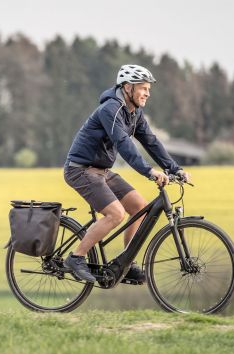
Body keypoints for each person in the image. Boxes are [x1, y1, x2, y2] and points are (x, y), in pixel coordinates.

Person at [62, 64, 190, 283]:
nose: (148, 93)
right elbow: (123, 143)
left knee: (139, 207)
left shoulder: (134, 113)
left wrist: (174, 168)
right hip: (80, 170)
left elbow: (151, 141)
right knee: (115, 214)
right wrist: (148, 171)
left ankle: (125, 263)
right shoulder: (110, 109)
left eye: (149, 89)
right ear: (128, 87)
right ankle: (76, 258)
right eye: (143, 88)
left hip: (102, 171)